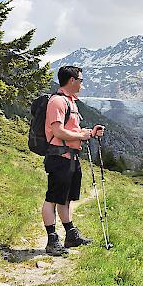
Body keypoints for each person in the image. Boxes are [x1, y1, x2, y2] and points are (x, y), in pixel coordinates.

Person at [42, 65, 104, 256]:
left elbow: (70, 130)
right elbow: (58, 131)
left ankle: (70, 235)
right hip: (59, 157)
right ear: (72, 81)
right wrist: (81, 137)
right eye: (81, 80)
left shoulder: (71, 102)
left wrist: (89, 133)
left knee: (65, 198)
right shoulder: (57, 102)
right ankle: (52, 240)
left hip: (70, 156)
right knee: (52, 198)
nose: (82, 84)